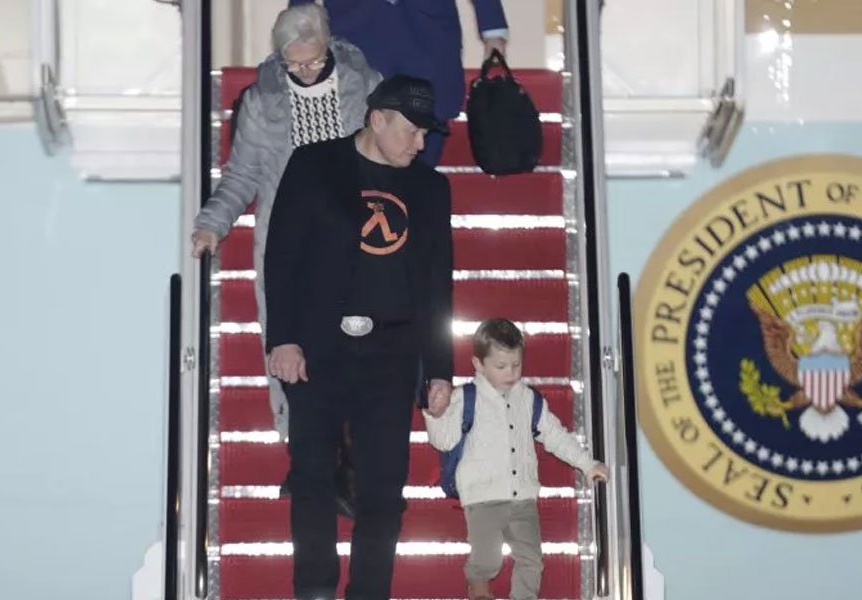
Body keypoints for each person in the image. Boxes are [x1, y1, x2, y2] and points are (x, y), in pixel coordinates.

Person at [263, 74, 454, 600]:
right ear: (377, 119)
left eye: (425, 135)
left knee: (383, 491)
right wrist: (282, 338)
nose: (421, 144)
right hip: (317, 349)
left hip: (391, 353)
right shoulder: (315, 165)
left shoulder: (431, 187)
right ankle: (315, 589)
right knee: (311, 476)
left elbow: (439, 283)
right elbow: (281, 257)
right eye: (412, 132)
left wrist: (439, 368)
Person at [190, 5, 380, 516]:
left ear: (329, 47)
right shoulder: (261, 101)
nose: (305, 72)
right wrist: (213, 223)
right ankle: (308, 461)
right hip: (289, 243)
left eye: (313, 61)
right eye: (294, 64)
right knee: (290, 347)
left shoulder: (367, 87)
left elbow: (392, 156)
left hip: (357, 236)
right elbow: (242, 175)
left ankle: (350, 467)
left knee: (354, 351)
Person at [424, 318, 609, 600]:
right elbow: (444, 440)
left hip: (523, 497)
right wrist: (436, 415)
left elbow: (555, 435)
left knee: (531, 560)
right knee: (488, 560)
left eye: (516, 365)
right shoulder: (465, 398)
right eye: (501, 366)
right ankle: (477, 580)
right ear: (478, 364)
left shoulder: (529, 399)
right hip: (482, 498)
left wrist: (587, 464)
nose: (510, 372)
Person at [288, 0, 508, 166]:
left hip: (429, 37)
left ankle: (414, 217)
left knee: (424, 144)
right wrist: (297, 33)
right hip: (354, 31)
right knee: (351, 142)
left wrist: (493, 30)